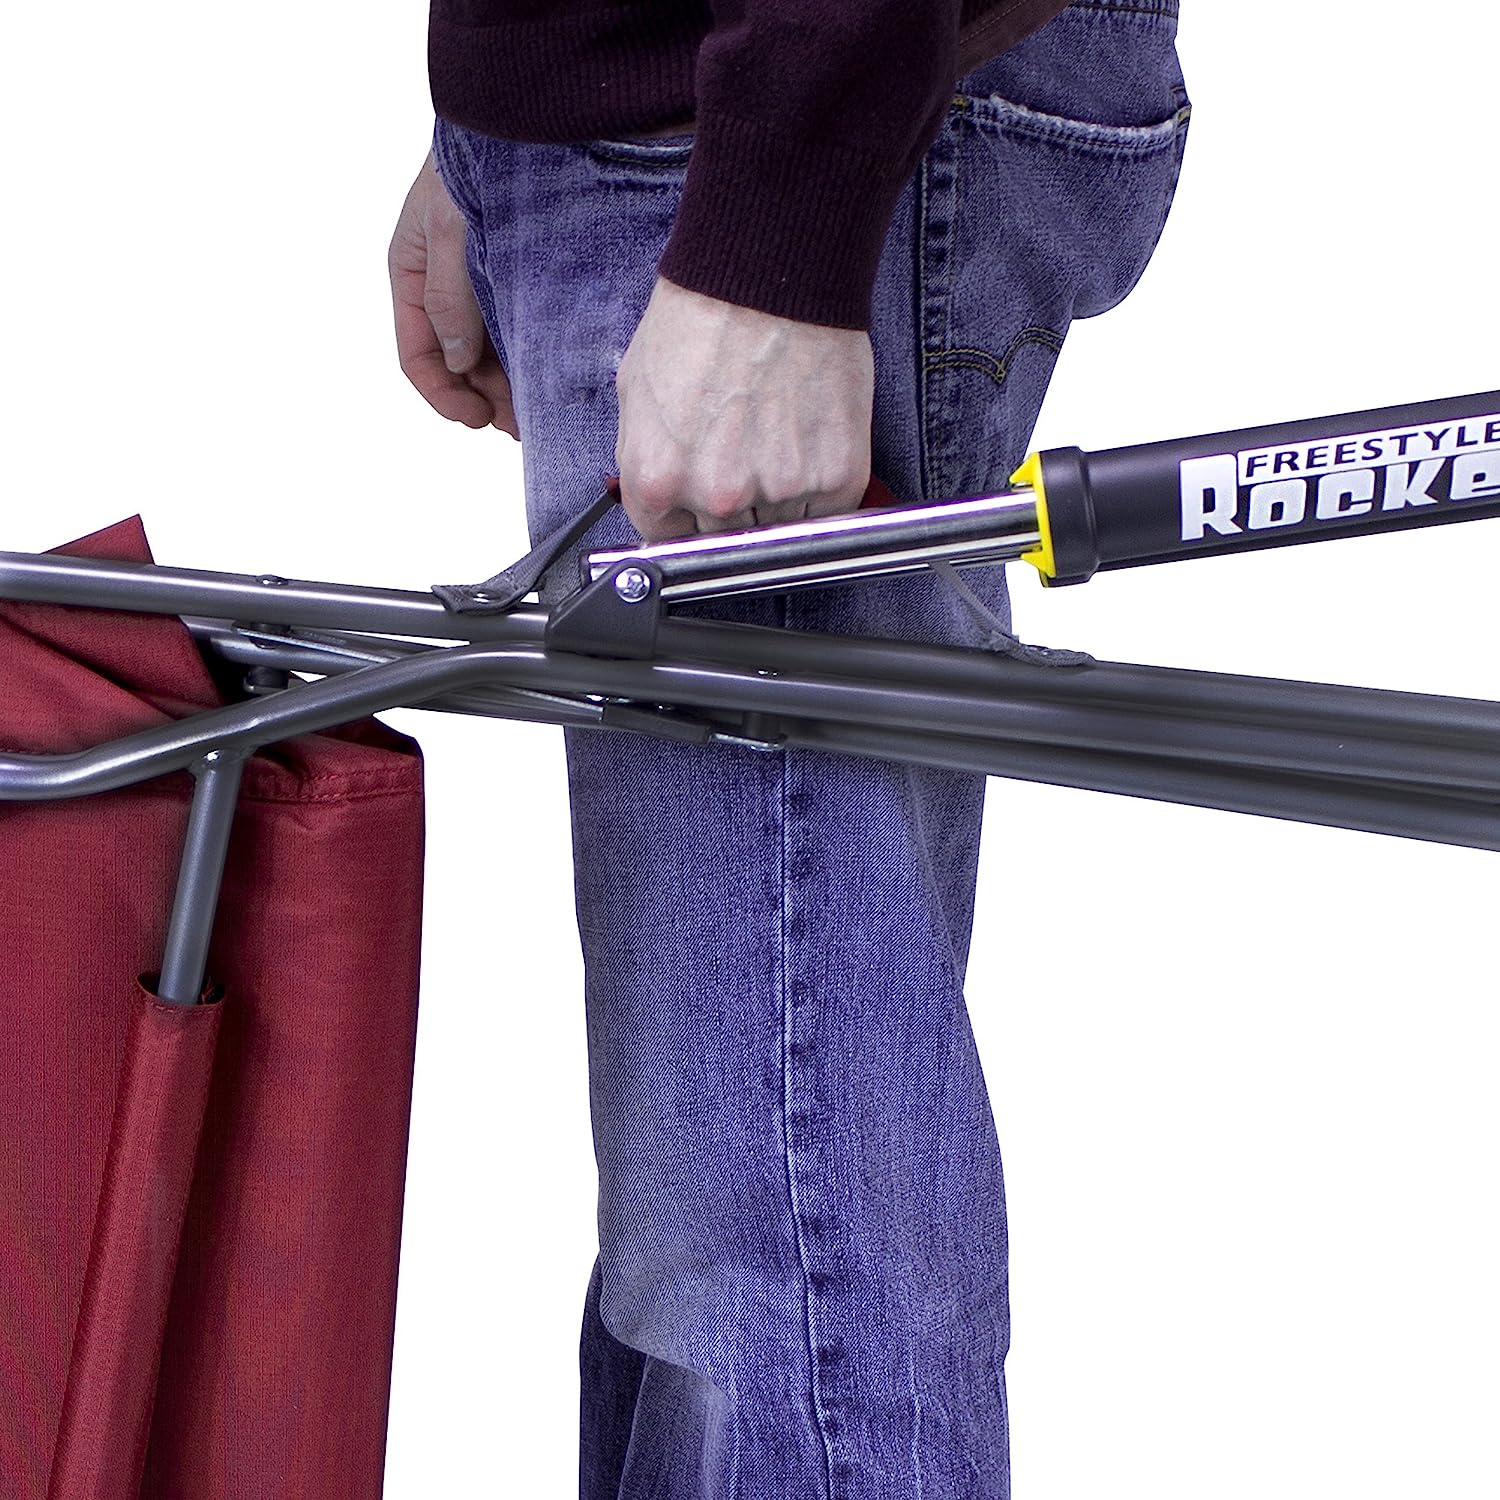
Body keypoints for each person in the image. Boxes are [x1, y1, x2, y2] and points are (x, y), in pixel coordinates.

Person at [389, 3, 1189, 1494]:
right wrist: (511, 95)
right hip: (700, 104)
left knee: (788, 1258)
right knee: (731, 1208)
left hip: (782, 110)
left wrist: (774, 213)